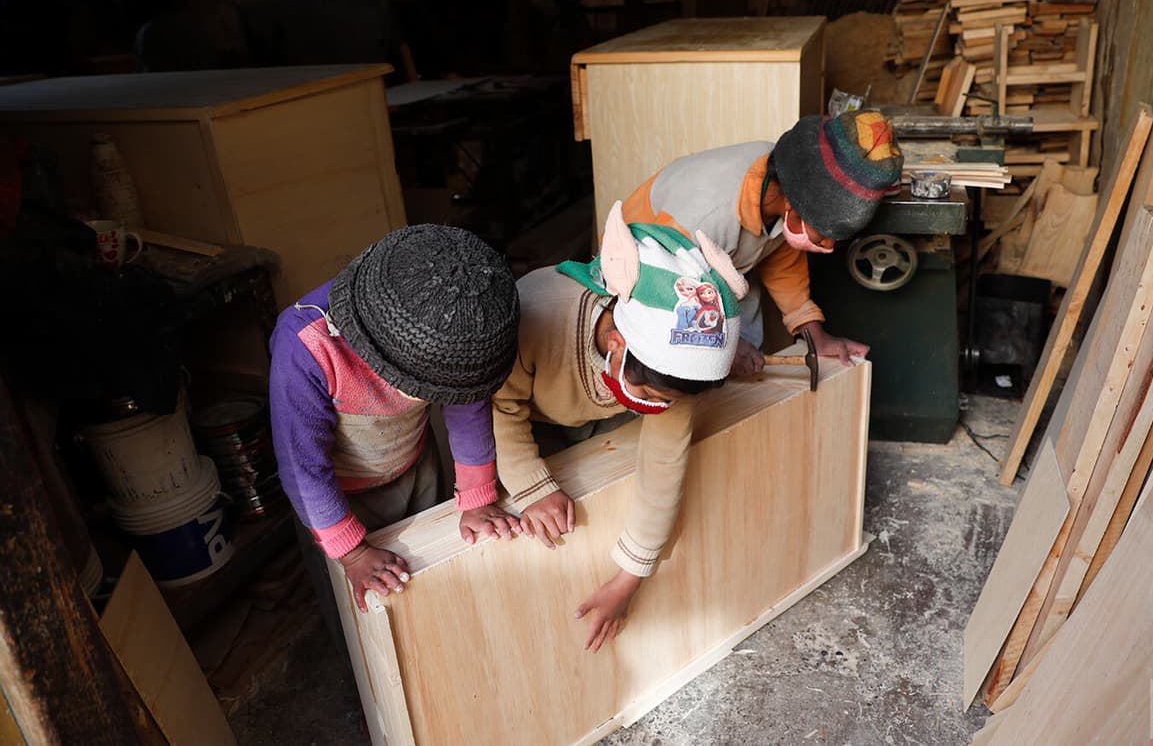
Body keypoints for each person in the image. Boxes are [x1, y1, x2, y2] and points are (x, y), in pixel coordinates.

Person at [491, 202, 746, 652]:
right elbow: (502, 409)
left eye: (667, 402)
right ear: (617, 343)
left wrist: (628, 579)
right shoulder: (533, 314)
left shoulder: (671, 368)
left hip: (588, 418)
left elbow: (664, 468)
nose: (659, 407)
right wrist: (532, 486)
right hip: (524, 419)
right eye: (650, 397)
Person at [270, 225, 521, 615]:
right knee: (367, 608)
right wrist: (352, 554)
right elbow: (303, 468)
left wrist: (477, 497)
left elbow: (468, 404)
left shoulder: (457, 330)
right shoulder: (305, 345)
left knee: (437, 585)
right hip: (337, 498)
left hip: (418, 465)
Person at [619, 109, 903, 377]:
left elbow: (782, 260)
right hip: (646, 280)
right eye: (825, 231)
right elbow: (664, 291)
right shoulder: (704, 217)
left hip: (719, 273)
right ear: (794, 205)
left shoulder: (787, 182)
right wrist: (720, 345)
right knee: (670, 377)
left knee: (741, 368)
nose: (827, 245)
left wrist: (813, 334)